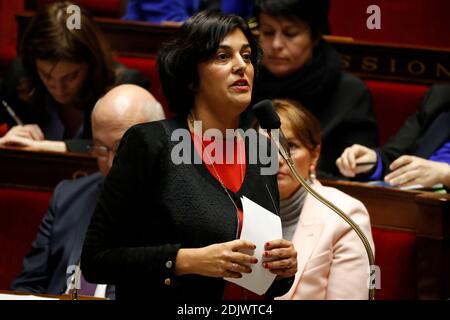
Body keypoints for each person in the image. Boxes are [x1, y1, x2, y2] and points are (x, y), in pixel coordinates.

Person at [81, 11, 297, 301]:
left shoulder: (261, 151)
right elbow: (97, 259)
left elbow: (264, 280)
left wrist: (283, 269)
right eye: (223, 56)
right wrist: (186, 261)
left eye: (246, 56)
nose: (240, 66)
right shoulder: (150, 144)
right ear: (191, 78)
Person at [9, 84, 165, 298]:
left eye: (123, 147)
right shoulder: (68, 195)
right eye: (101, 148)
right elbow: (28, 286)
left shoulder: (189, 207)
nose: (111, 164)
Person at [249, 0, 378, 178]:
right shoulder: (244, 82)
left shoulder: (350, 93)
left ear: (315, 36)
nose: (276, 44)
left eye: (290, 33)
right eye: (268, 32)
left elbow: (356, 173)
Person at [0, 1, 149, 151]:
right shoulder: (19, 76)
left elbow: (126, 151)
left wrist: (47, 147)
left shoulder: (124, 89)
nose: (58, 88)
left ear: (92, 63)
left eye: (70, 77)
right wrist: (5, 142)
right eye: (46, 75)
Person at [266, 99, 374, 299]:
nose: (277, 159)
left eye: (290, 146)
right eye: (265, 146)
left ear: (314, 156)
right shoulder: (233, 208)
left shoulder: (346, 215)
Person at [336, 84, 450, 189]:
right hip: (409, 199)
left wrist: (445, 174)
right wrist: (373, 161)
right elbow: (395, 156)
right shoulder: (440, 96)